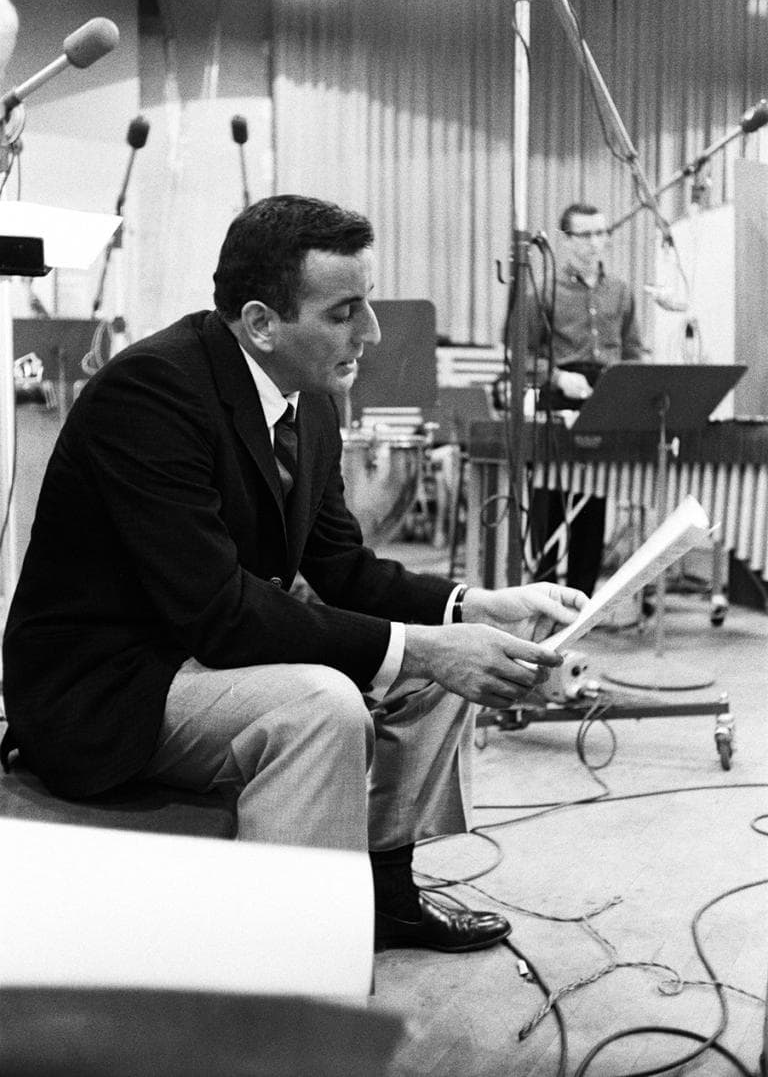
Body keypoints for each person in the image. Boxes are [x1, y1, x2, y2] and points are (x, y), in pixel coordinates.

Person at [2, 194, 587, 954]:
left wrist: (475, 605)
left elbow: (343, 567)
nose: (371, 331)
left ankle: (385, 892)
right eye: (345, 312)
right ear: (261, 323)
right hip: (108, 684)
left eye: (366, 303)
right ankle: (286, 964)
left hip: (198, 653)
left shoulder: (309, 403)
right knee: (322, 705)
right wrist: (422, 646)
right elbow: (219, 612)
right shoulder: (150, 392)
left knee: (442, 664)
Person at [526, 201, 646, 596]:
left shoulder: (621, 291)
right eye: (586, 235)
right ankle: (542, 597)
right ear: (566, 239)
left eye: (601, 233)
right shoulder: (543, 290)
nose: (596, 242)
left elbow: (632, 352)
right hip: (558, 401)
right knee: (548, 507)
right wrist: (559, 377)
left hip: (604, 401)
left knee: (592, 508)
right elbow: (521, 356)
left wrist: (627, 388)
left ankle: (581, 602)